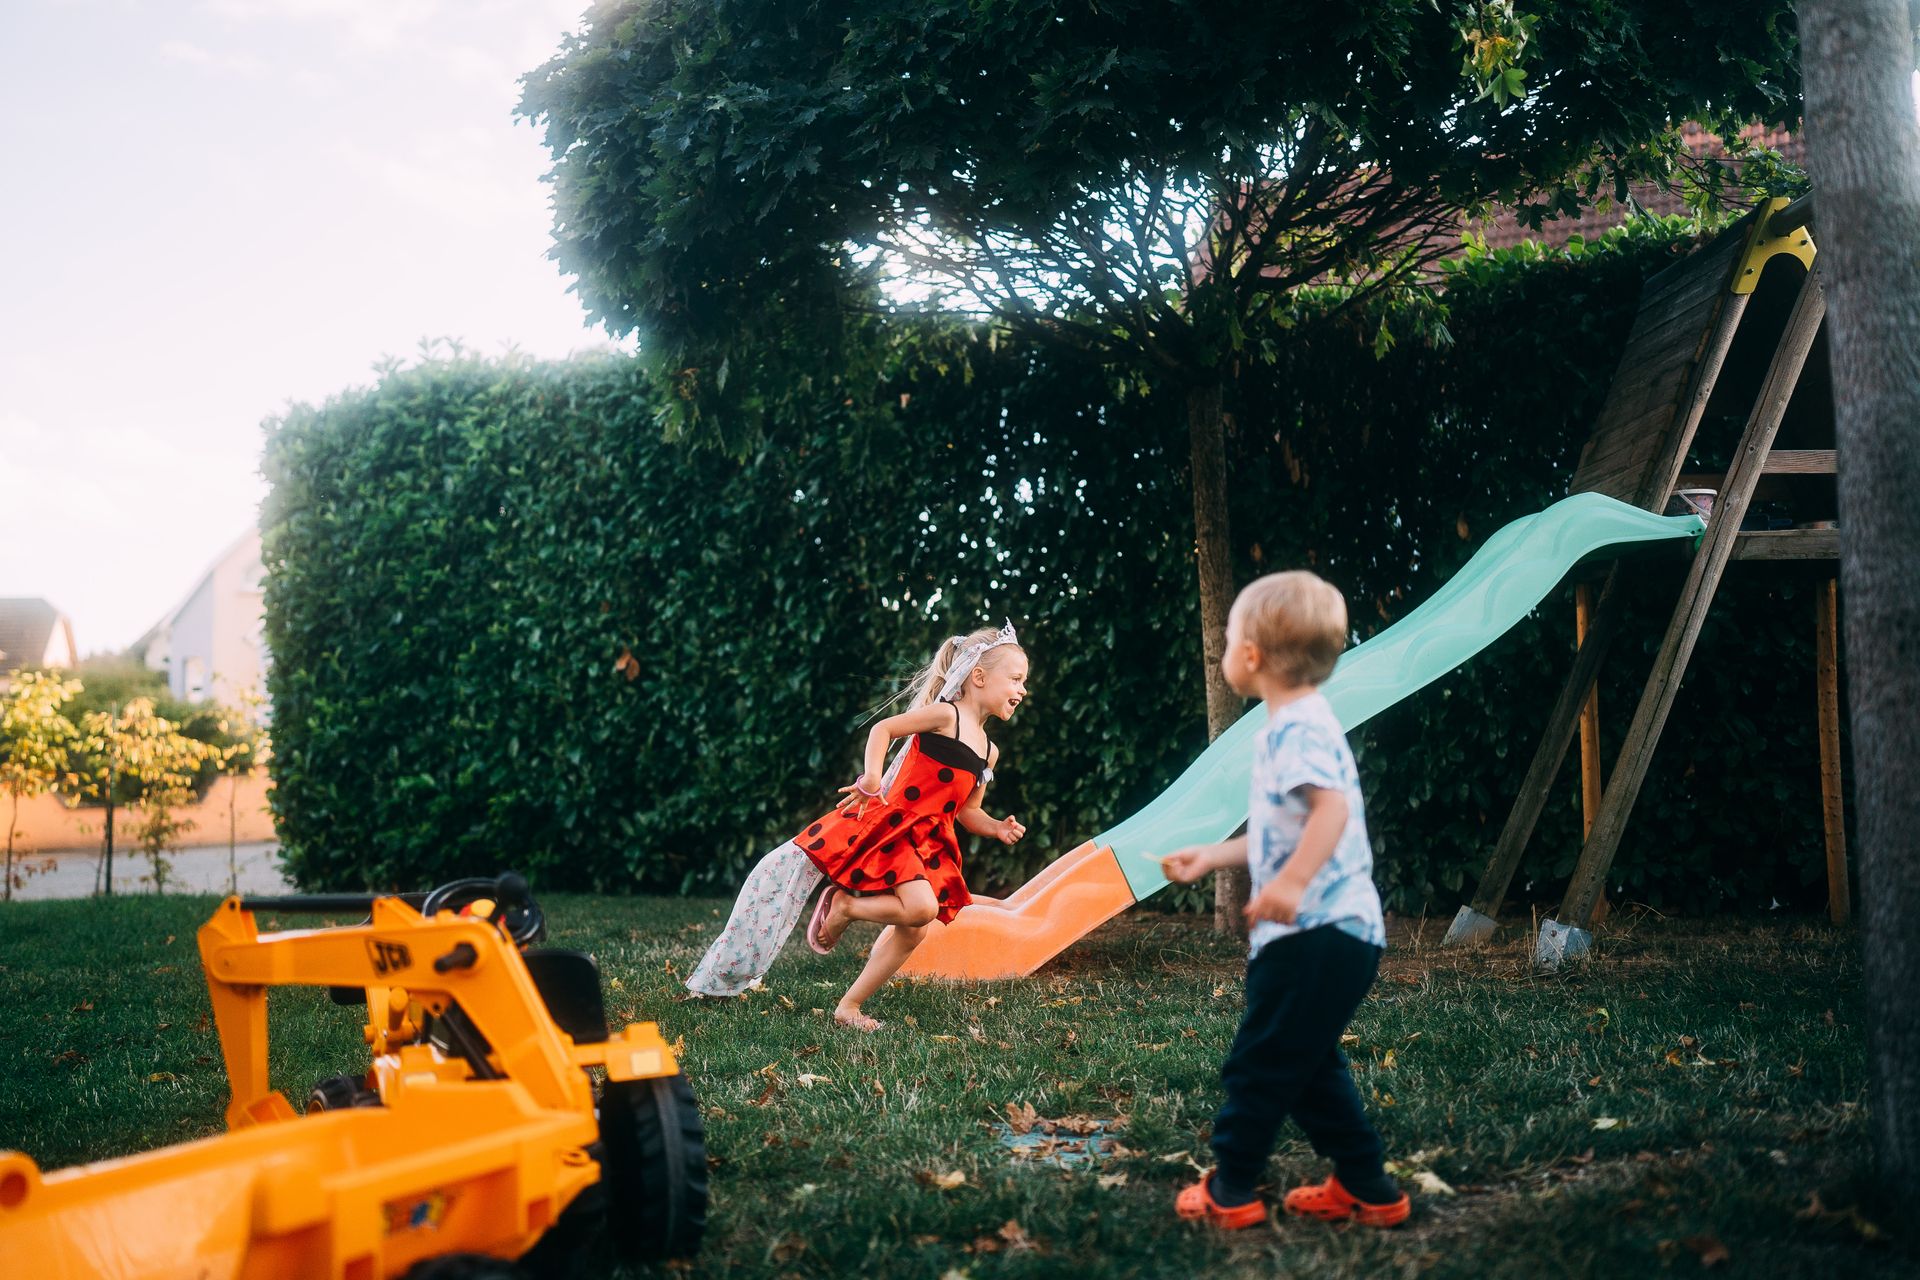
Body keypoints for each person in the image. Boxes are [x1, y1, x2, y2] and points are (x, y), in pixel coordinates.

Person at [1160, 572, 1409, 1230]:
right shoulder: (1292, 728)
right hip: (1334, 935)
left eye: (1226, 642)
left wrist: (1292, 886)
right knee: (1308, 1066)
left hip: (1316, 933)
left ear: (1250, 657)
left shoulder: (1298, 727)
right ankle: (1369, 1187)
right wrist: (1216, 855)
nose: (1223, 655)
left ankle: (1231, 1188)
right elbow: (1286, 833)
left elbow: (1328, 813)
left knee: (1261, 1062)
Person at [685, 622, 1028, 1030]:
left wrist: (995, 828)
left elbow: (968, 812)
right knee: (921, 908)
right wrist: (871, 779)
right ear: (978, 676)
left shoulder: (989, 753)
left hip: (932, 842)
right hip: (898, 826)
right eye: (1016, 678)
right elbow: (884, 729)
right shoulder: (945, 715)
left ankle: (848, 1007)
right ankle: (844, 905)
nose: (1022, 690)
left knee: (914, 930)